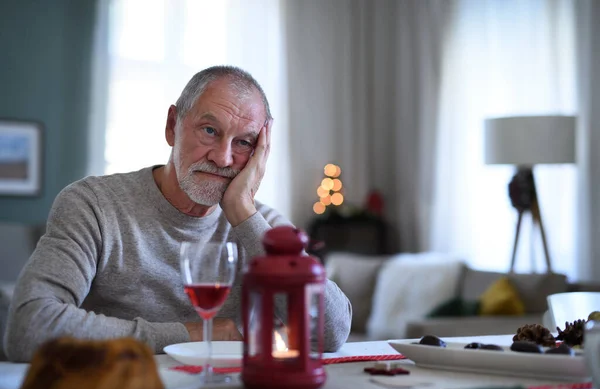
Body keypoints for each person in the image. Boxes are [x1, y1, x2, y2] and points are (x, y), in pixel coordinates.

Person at [4, 66, 352, 362]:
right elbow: (29, 327)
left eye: (244, 142)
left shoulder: (261, 226)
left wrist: (243, 213)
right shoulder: (93, 204)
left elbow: (330, 333)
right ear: (173, 125)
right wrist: (190, 334)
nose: (223, 157)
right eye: (210, 130)